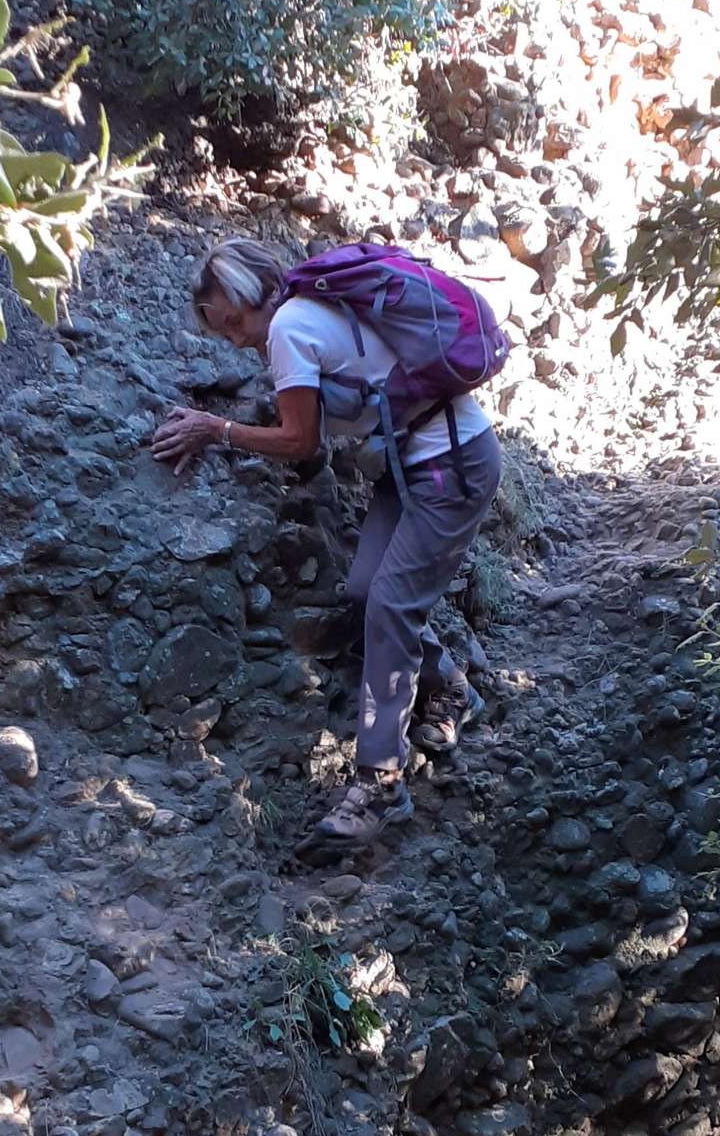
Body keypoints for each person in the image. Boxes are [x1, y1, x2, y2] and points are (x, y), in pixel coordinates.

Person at [152, 237, 501, 846]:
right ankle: (449, 685)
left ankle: (378, 784)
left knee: (390, 604)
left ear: (253, 294)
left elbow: (300, 440)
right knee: (367, 593)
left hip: (452, 464)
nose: (234, 339)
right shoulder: (309, 310)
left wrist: (217, 429)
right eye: (221, 329)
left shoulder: (290, 326)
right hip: (417, 463)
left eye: (232, 321)